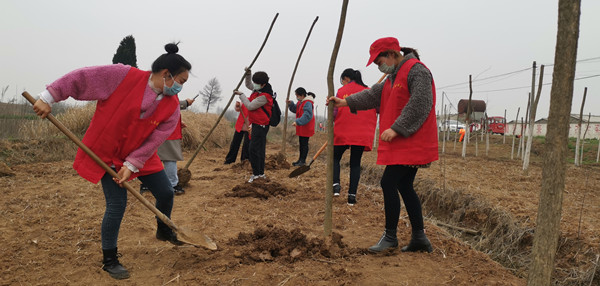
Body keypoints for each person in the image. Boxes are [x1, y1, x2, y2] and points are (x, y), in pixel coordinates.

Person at [32, 43, 192, 280]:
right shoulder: (122, 76)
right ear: (166, 74)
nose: (180, 87)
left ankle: (164, 230)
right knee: (117, 205)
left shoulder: (171, 108)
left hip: (139, 155)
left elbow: (154, 140)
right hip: (107, 152)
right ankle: (110, 259)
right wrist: (49, 96)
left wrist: (132, 164)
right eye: (180, 80)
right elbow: (83, 78)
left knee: (166, 192)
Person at [327, 37, 437, 254]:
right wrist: (345, 102)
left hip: (411, 140)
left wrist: (397, 128)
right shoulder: (392, 77)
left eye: (379, 62)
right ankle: (419, 238)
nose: (379, 66)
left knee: (388, 182)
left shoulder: (417, 71)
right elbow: (372, 95)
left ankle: (390, 237)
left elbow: (421, 102)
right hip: (403, 142)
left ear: (391, 54)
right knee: (404, 186)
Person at [333, 68, 378, 206]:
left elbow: (335, 113)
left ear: (346, 78)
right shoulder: (370, 91)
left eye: (342, 80)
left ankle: (335, 185)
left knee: (334, 158)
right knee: (355, 163)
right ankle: (352, 197)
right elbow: (378, 110)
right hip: (362, 133)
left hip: (343, 130)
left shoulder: (342, 91)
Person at [234, 68, 274, 183]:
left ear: (263, 84)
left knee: (254, 150)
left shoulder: (265, 96)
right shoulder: (259, 89)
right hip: (257, 124)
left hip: (261, 125)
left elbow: (250, 106)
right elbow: (249, 85)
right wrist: (248, 74)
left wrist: (241, 95)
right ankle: (260, 174)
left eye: (257, 83)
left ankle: (257, 174)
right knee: (259, 149)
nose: (254, 85)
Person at [156, 98, 194, 195]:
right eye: (182, 81)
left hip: (163, 128)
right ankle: (172, 185)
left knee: (156, 157)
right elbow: (169, 104)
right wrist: (185, 103)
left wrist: (177, 121)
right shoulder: (165, 88)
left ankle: (148, 183)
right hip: (167, 132)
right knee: (170, 158)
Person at [287, 87, 315, 166]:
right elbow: (295, 109)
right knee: (301, 143)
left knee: (304, 144)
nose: (296, 97)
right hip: (301, 126)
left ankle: (302, 161)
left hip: (306, 126)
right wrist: (291, 104)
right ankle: (300, 160)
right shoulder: (301, 102)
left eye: (297, 95)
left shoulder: (308, 103)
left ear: (302, 95)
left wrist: (298, 121)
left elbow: (307, 115)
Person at [224, 100, 250, 164]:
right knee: (235, 143)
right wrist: (238, 105)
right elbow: (238, 108)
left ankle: (244, 161)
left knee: (246, 145)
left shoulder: (257, 102)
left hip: (249, 127)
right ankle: (230, 160)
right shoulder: (246, 100)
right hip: (240, 125)